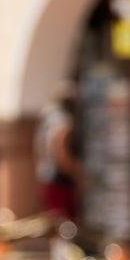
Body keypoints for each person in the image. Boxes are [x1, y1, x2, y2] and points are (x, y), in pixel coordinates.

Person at [36, 80, 83, 222]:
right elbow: (58, 147)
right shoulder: (60, 118)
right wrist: (74, 170)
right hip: (58, 177)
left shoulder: (47, 117)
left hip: (49, 175)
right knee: (63, 222)